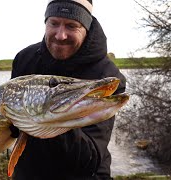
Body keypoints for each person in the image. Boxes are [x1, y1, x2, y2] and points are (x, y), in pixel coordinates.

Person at [9, 0, 126, 179]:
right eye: (54, 23)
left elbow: (89, 159)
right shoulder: (26, 58)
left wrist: (51, 116)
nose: (60, 35)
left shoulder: (106, 76)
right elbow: (13, 121)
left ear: (86, 28)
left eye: (72, 26)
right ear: (46, 23)